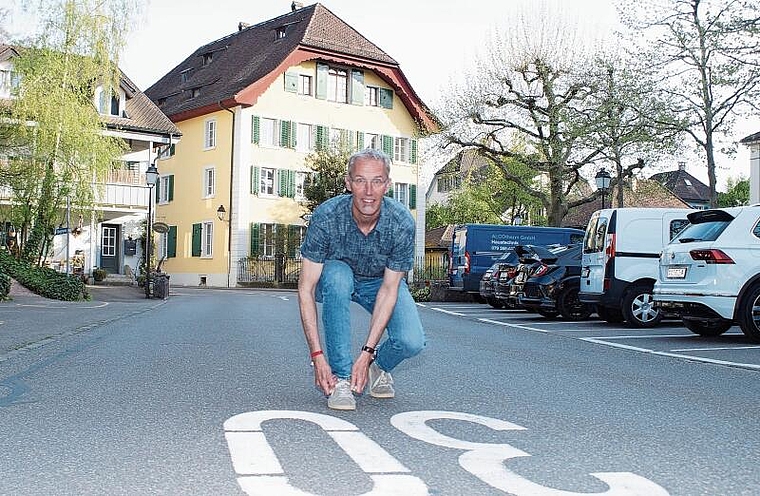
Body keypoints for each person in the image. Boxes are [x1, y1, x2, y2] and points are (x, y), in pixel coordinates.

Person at [298, 148, 425, 411]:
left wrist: (367, 355)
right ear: (348, 183)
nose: (368, 191)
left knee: (412, 341)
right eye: (360, 180)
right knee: (337, 276)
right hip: (337, 276)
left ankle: (380, 368)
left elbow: (390, 289)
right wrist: (317, 357)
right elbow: (306, 289)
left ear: (387, 185)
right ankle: (341, 379)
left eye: (377, 181)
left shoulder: (401, 223)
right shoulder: (326, 216)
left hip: (380, 282)